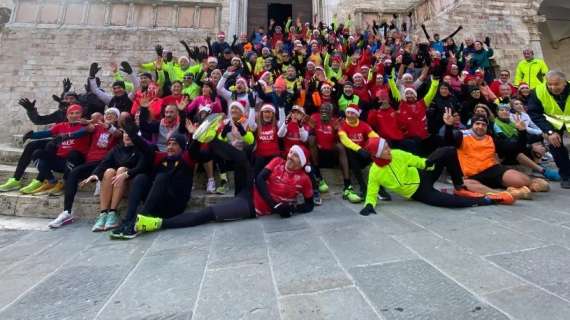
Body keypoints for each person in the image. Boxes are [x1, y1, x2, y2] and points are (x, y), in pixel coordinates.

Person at [132, 140, 314, 235]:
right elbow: (260, 179)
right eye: (291, 152)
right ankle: (210, 139)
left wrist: (293, 208)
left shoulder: (304, 179)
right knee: (242, 159)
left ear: (302, 162)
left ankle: (157, 223)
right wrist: (275, 205)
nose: (290, 157)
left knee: (208, 214)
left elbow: (309, 204)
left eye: (296, 156)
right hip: (251, 190)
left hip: (250, 206)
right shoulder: (278, 161)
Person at [359, 138, 514, 216]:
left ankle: (459, 186)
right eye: (385, 149)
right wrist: (369, 205)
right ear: (378, 154)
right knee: (448, 202)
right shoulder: (375, 172)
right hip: (418, 192)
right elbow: (372, 191)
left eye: (387, 145)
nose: (389, 149)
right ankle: (487, 200)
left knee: (448, 150)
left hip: (423, 174)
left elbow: (416, 161)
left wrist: (428, 163)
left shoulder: (397, 154)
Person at [443, 109, 548, 199]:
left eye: (483, 125)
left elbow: (516, 147)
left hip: (494, 171)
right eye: (477, 124)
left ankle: (526, 186)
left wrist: (522, 132)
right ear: (472, 125)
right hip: (471, 176)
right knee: (464, 185)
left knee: (523, 181)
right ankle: (504, 194)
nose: (480, 127)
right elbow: (448, 141)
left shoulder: (491, 139)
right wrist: (448, 126)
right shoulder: (461, 136)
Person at [47, 108, 123, 228]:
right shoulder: (97, 127)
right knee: (73, 173)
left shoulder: (118, 130)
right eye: (107, 113)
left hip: (105, 163)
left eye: (113, 114)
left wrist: (108, 127)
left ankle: (100, 183)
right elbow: (86, 127)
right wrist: (85, 122)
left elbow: (118, 134)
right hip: (90, 162)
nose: (109, 115)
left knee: (99, 171)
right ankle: (67, 212)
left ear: (117, 118)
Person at [20, 104, 91, 200]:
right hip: (61, 161)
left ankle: (64, 183)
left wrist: (67, 135)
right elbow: (47, 133)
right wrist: (31, 135)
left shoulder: (86, 126)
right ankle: (51, 181)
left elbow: (81, 132)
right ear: (67, 115)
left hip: (75, 162)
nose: (74, 115)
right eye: (71, 113)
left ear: (81, 114)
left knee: (73, 154)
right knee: (37, 153)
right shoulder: (61, 126)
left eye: (77, 113)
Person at [80, 130, 146, 233]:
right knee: (109, 171)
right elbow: (104, 163)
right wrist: (94, 174)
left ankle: (113, 212)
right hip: (116, 182)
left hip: (131, 181)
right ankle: (103, 214)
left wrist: (125, 174)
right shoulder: (117, 148)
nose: (127, 135)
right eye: (125, 133)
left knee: (121, 169)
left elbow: (142, 167)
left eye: (130, 133)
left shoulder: (141, 149)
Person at [527, 70, 570, 188]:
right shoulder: (538, 91)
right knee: (555, 146)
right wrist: (549, 132)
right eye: (550, 84)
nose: (552, 87)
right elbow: (534, 113)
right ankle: (566, 176)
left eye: (556, 84)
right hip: (552, 124)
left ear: (564, 83)